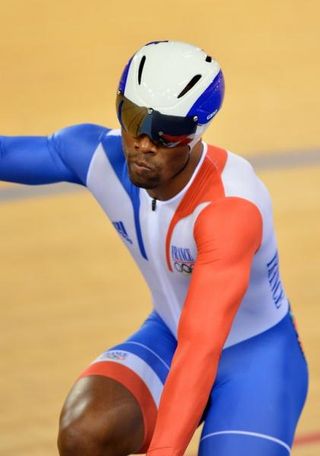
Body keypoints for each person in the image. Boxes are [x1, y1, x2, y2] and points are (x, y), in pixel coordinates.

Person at [0, 40, 308, 456]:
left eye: (167, 131)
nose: (144, 142)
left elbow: (201, 349)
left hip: (257, 364)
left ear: (197, 132)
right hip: (171, 333)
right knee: (85, 434)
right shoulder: (98, 157)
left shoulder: (228, 213)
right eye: (133, 118)